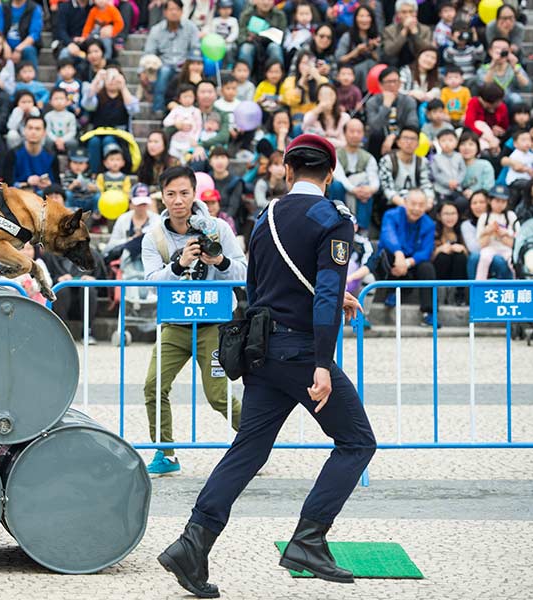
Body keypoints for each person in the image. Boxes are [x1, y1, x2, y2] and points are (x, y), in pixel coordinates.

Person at [158, 135, 374, 596]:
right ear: (330, 175)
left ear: (289, 172)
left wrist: (329, 302)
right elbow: (327, 292)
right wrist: (322, 362)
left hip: (263, 351)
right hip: (300, 354)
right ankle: (308, 539)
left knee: (248, 451)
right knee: (357, 442)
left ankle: (192, 543)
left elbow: (261, 286)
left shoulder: (266, 216)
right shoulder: (334, 219)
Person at [141, 165, 247, 476]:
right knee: (152, 385)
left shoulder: (218, 229)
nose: (178, 200)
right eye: (171, 194)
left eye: (184, 193)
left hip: (213, 323)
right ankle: (165, 452)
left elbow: (243, 272)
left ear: (194, 194)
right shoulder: (155, 237)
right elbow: (150, 282)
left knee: (217, 395)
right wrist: (179, 264)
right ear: (162, 197)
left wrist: (220, 261)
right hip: (176, 323)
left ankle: (255, 440)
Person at [378, 189, 439, 326]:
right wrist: (398, 253)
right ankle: (392, 291)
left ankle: (429, 312)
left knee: (427, 267)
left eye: (421, 205)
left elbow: (426, 250)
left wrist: (408, 262)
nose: (417, 209)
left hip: (411, 262)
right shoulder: (391, 215)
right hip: (393, 258)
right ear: (405, 202)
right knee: (387, 255)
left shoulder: (428, 223)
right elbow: (388, 236)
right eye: (413, 204)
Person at [143, 0, 200, 112]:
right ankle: (158, 109)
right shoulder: (157, 30)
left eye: (177, 9)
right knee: (164, 71)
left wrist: (190, 64)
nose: (174, 12)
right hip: (164, 63)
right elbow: (149, 52)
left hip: (185, 64)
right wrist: (142, 71)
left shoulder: (191, 28)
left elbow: (195, 48)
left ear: (182, 11)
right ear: (165, 12)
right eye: (171, 9)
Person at [329, 118, 379, 231]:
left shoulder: (368, 157)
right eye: (352, 131)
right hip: (343, 190)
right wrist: (355, 190)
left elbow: (374, 180)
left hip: (360, 192)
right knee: (337, 185)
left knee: (367, 190)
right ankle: (337, 220)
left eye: (359, 132)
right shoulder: (337, 155)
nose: (355, 135)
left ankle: (361, 229)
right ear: (345, 133)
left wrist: (369, 189)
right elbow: (339, 176)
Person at [378, 126, 435, 209]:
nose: (409, 142)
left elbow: (427, 185)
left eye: (413, 139)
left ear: (418, 144)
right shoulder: (387, 161)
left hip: (417, 203)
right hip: (394, 203)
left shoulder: (423, 162)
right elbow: (387, 189)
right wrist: (407, 206)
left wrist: (428, 202)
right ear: (398, 142)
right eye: (405, 138)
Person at [433, 200, 469, 304]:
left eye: (453, 213)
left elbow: (470, 254)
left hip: (458, 272)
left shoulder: (462, 229)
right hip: (439, 270)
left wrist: (463, 249)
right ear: (439, 216)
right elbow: (427, 257)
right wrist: (439, 250)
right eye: (446, 214)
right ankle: (440, 296)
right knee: (443, 256)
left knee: (460, 256)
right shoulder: (433, 230)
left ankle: (458, 295)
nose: (450, 217)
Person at [0, 0, 43, 68]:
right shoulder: (2, 7)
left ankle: (32, 78)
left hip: (25, 46)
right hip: (4, 44)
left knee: (29, 50)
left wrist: (18, 49)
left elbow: (34, 33)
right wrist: (5, 46)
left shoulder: (34, 8)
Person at [382, 0, 433, 68]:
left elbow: (426, 51)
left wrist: (415, 33)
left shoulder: (425, 30)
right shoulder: (389, 30)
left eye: (411, 12)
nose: (408, 15)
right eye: (404, 12)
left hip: (419, 66)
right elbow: (389, 52)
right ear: (398, 14)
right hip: (396, 66)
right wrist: (404, 31)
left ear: (416, 13)